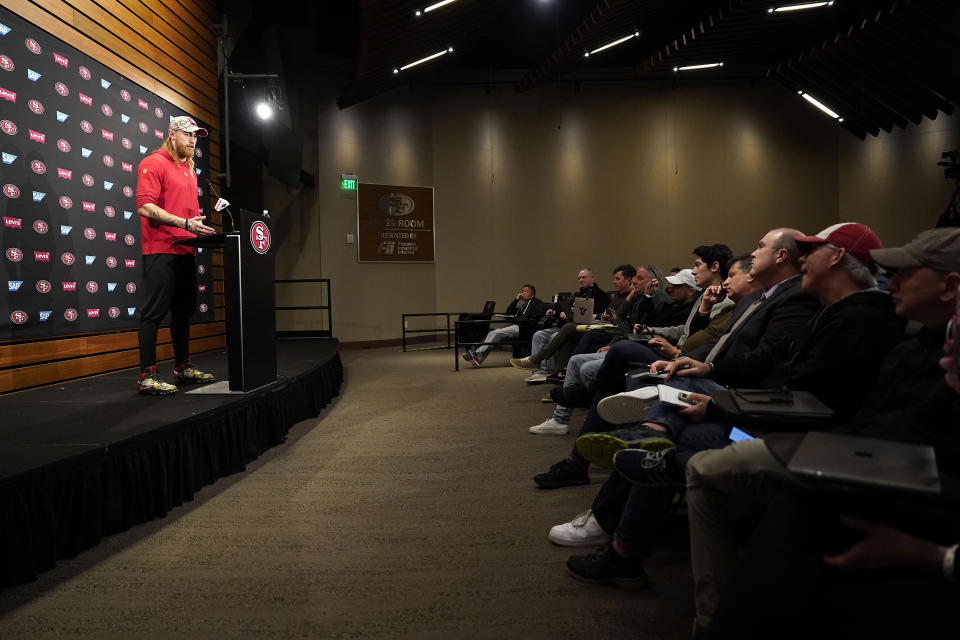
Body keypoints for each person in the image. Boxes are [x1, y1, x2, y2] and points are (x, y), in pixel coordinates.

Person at [685, 226, 960, 636]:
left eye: (907, 272)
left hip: (872, 467)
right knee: (702, 431)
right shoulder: (905, 343)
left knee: (711, 462)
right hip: (848, 452)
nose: (894, 282)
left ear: (949, 285)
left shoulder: (869, 322)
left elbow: (821, 400)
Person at [135, 116, 217, 395]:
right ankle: (147, 375)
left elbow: (187, 214)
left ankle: (182, 367)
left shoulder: (189, 169)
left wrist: (196, 227)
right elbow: (145, 207)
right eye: (187, 134)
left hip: (186, 250)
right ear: (172, 135)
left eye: (196, 136)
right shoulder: (153, 162)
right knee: (153, 313)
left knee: (183, 311)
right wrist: (183, 224)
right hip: (160, 249)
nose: (193, 140)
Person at [513, 266, 636, 381]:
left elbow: (618, 319)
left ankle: (538, 361)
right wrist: (558, 312)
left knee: (566, 330)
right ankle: (558, 376)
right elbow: (608, 315)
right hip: (594, 326)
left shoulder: (608, 296)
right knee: (554, 335)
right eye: (579, 278)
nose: (614, 282)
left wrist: (600, 317)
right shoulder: (609, 296)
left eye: (617, 279)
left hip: (603, 330)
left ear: (628, 281)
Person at [464, 284, 546, 367]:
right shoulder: (523, 306)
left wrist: (524, 320)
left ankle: (477, 353)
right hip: (516, 327)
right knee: (493, 332)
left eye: (526, 291)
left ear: (532, 294)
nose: (523, 293)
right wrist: (516, 300)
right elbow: (508, 312)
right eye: (522, 291)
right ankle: (478, 359)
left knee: (497, 333)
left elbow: (539, 314)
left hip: (524, 328)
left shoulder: (537, 303)